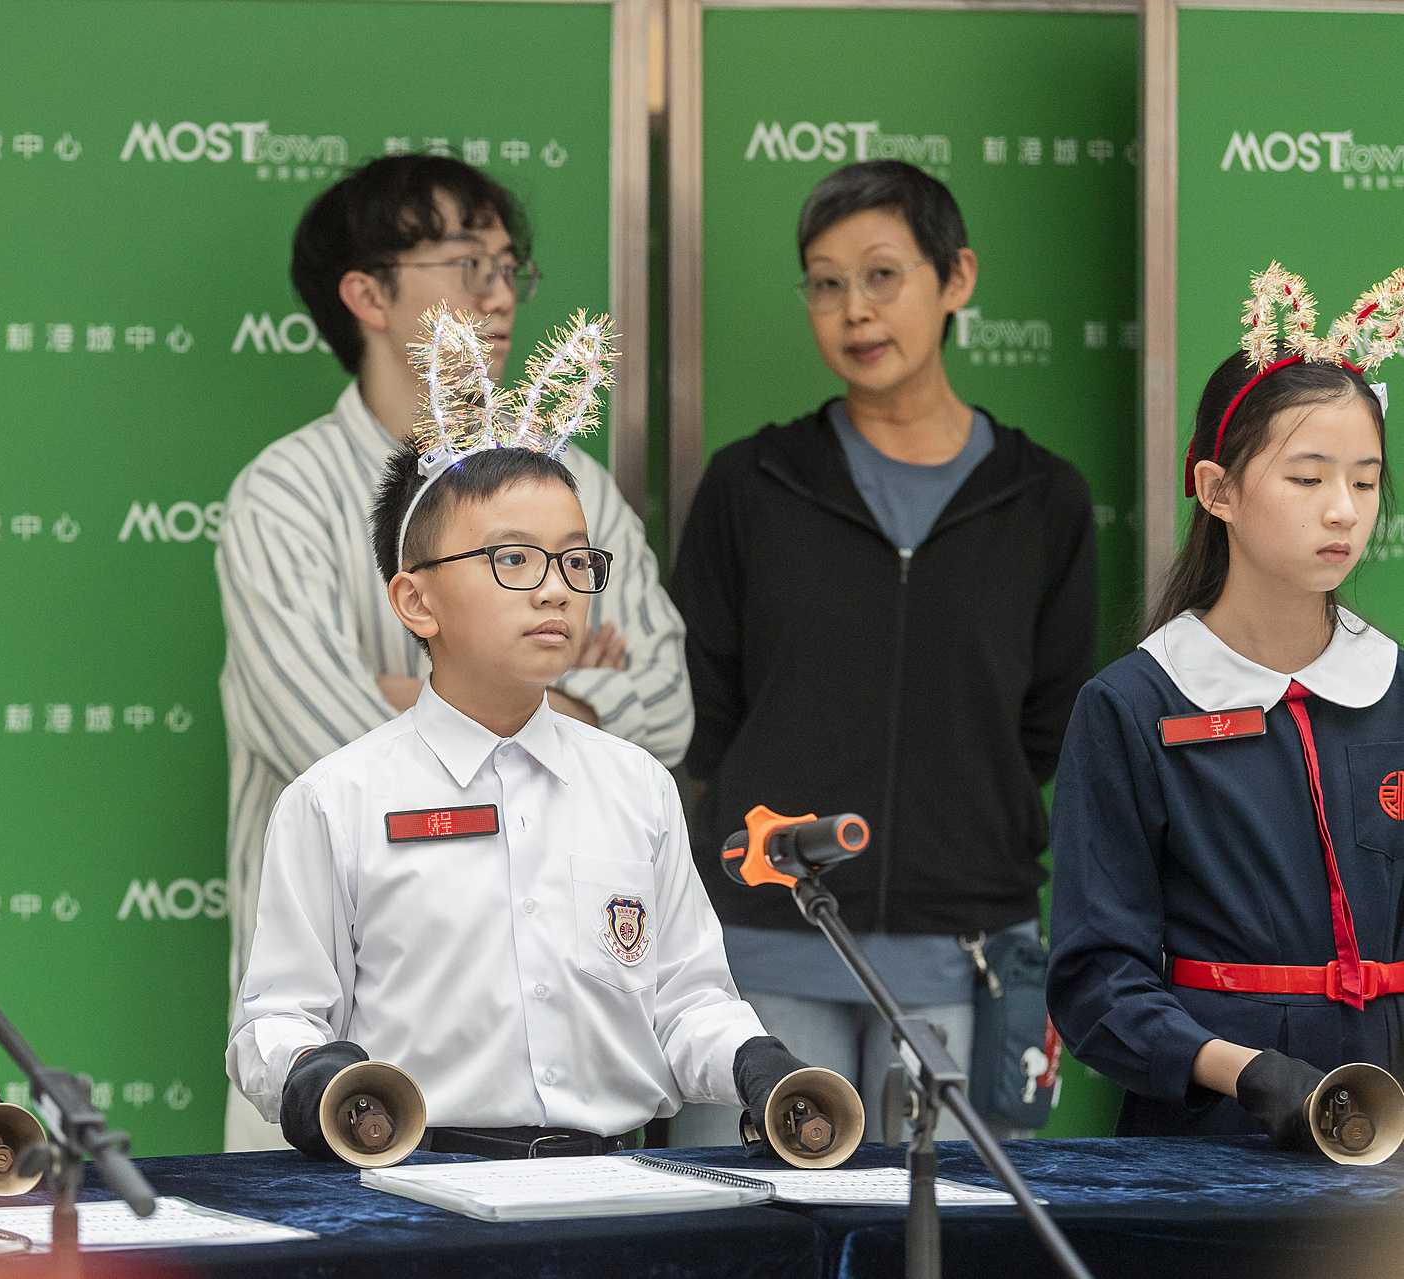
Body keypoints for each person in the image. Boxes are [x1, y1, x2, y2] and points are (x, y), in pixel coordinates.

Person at [229, 333, 839, 1155]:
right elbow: (274, 1019)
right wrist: (309, 1066)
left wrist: (749, 1058)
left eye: (575, 560)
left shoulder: (635, 785)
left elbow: (686, 1000)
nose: (555, 588)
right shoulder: (339, 799)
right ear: (414, 600)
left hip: (612, 1190)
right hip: (415, 1185)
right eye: (513, 559)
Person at [216, 154, 692, 1149]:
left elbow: (667, 705)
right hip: (333, 1075)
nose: (500, 292)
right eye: (467, 263)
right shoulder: (283, 492)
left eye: (510, 265)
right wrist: (551, 698)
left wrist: (429, 692)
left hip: (569, 1100)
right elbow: (329, 741)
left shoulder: (573, 486)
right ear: (367, 295)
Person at [668, 160, 1098, 1144]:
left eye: (880, 275)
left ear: (955, 278)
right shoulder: (750, 484)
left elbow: (1049, 724)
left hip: (960, 957)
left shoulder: (1043, 499)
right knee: (738, 1219)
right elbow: (703, 711)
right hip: (762, 949)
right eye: (825, 284)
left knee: (946, 1223)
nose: (853, 310)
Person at [1049, 262, 1402, 1141]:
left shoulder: (1392, 685)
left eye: (1363, 482)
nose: (1342, 511)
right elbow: (1095, 983)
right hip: (1208, 1137)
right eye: (1306, 478)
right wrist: (1241, 1072)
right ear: (1217, 491)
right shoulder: (1131, 704)